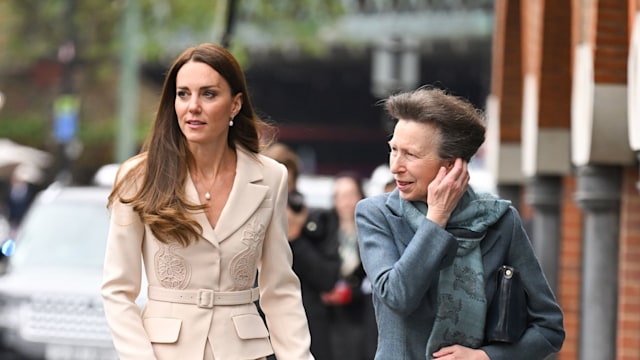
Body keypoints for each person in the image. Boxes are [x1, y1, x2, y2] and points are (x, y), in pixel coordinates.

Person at [101, 43, 314, 360]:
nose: (193, 106)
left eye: (209, 94)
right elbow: (117, 290)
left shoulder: (271, 177)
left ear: (234, 104)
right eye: (183, 94)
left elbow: (280, 289)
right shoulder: (138, 176)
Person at [354, 87, 565, 360]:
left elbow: (549, 327)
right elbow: (397, 297)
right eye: (393, 149)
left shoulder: (499, 220)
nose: (395, 165)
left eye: (411, 155)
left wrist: (486, 357)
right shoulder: (377, 215)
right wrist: (436, 218)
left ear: (452, 165)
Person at [263, 142, 341, 360]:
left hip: (308, 325)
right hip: (261, 327)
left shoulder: (318, 221)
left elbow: (328, 279)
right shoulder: (250, 218)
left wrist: (296, 237)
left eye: (287, 183)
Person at [320, 172, 377, 360]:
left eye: (349, 195)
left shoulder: (373, 230)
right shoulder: (323, 230)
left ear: (360, 196)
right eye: (340, 196)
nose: (345, 202)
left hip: (364, 313)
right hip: (331, 316)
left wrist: (352, 293)